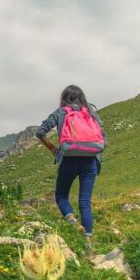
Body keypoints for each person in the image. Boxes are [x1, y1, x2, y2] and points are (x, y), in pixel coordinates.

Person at [36, 85, 105, 247]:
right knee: (85, 201)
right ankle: (88, 244)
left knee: (61, 195)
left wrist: (53, 148)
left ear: (64, 99)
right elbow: (104, 138)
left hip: (69, 159)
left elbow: (40, 132)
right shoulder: (91, 113)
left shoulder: (61, 112)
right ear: (82, 98)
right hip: (90, 160)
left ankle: (73, 222)